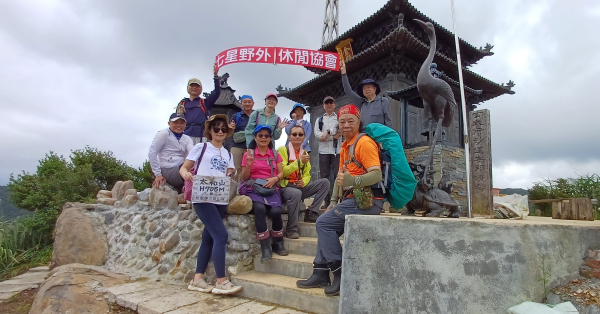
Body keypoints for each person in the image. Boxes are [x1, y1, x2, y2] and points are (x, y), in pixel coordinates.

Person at [296, 104, 384, 296]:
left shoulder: (364, 143)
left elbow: (376, 175)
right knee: (325, 223)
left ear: (359, 122)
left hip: (369, 201)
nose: (345, 125)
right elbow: (340, 178)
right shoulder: (345, 145)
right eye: (342, 122)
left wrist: (354, 180)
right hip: (352, 200)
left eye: (350, 121)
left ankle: (340, 274)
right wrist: (333, 202)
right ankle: (319, 272)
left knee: (324, 224)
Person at [180, 114, 242, 295]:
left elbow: (230, 172)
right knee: (221, 235)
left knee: (209, 237)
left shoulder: (228, 153)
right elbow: (184, 167)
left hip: (219, 199)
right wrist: (186, 175)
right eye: (216, 127)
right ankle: (221, 281)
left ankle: (197, 279)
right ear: (210, 130)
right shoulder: (201, 147)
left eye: (223, 128)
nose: (220, 131)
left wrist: (230, 177)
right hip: (202, 197)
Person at [241, 125, 286, 263]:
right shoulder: (248, 154)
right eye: (260, 135)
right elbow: (244, 177)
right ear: (255, 137)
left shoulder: (275, 154)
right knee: (259, 209)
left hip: (271, 187)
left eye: (267, 136)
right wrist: (249, 165)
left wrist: (275, 179)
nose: (263, 138)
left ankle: (278, 242)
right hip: (254, 188)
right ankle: (265, 247)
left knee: (276, 211)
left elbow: (281, 173)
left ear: (270, 138)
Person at [279, 125, 330, 239]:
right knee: (296, 193)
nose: (297, 137)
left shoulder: (305, 153)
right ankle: (291, 229)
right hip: (285, 187)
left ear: (304, 137)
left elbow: (307, 174)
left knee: (325, 182)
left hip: (299, 187)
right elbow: (282, 171)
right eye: (294, 134)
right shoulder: (283, 150)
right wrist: (298, 162)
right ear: (289, 137)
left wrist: (304, 182)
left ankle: (312, 211)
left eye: (300, 134)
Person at [148, 113, 194, 193]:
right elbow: (152, 152)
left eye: (182, 123)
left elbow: (193, 154)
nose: (179, 125)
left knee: (196, 167)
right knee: (186, 169)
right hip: (167, 169)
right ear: (169, 123)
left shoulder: (187, 138)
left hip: (182, 169)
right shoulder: (163, 134)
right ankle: (187, 189)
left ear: (185, 124)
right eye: (175, 122)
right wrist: (158, 174)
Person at [339, 60, 393, 128]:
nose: (366, 89)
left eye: (369, 87)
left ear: (375, 89)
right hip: (364, 136)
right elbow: (348, 90)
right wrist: (343, 73)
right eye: (364, 88)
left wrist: (388, 136)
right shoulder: (361, 103)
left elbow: (388, 120)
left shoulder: (383, 101)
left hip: (378, 135)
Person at [177, 64, 221, 144]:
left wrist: (216, 77)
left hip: (201, 135)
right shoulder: (182, 103)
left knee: (200, 156)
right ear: (187, 88)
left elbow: (217, 92)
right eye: (192, 85)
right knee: (185, 156)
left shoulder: (205, 102)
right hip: (185, 134)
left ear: (201, 89)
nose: (194, 88)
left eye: (197, 86)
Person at [313, 96, 341, 209]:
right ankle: (326, 200)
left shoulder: (339, 118)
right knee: (324, 176)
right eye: (326, 103)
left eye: (331, 103)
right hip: (323, 151)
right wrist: (332, 136)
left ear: (334, 105)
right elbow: (317, 134)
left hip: (336, 150)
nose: (329, 105)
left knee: (337, 175)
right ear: (323, 105)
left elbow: (339, 131)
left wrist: (327, 133)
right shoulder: (319, 120)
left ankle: (337, 199)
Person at [229, 95, 255, 181]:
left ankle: (246, 189)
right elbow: (229, 131)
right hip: (237, 145)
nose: (247, 104)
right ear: (241, 104)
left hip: (251, 146)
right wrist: (230, 127)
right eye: (245, 102)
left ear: (253, 103)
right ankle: (234, 190)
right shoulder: (236, 116)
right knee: (235, 168)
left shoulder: (256, 116)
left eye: (249, 102)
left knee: (250, 167)